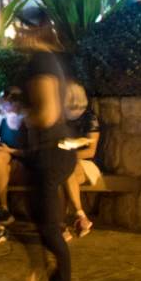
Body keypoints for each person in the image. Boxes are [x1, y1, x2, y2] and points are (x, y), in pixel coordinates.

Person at [14, 6, 76, 281]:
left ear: (32, 29)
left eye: (18, 28)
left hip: (50, 152)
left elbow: (48, 114)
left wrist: (22, 116)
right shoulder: (46, 60)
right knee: (38, 221)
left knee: (50, 229)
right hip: (53, 151)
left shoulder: (40, 61)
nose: (15, 34)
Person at [0, 87, 28, 245]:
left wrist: (11, 150)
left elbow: (35, 150)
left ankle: (0, 224)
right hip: (5, 159)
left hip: (26, 160)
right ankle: (3, 210)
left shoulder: (27, 118)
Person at [62, 81, 100, 240]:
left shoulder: (90, 118)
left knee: (63, 170)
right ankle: (80, 217)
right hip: (64, 163)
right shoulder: (58, 115)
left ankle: (61, 226)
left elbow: (90, 151)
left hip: (85, 164)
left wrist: (64, 155)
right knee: (61, 174)